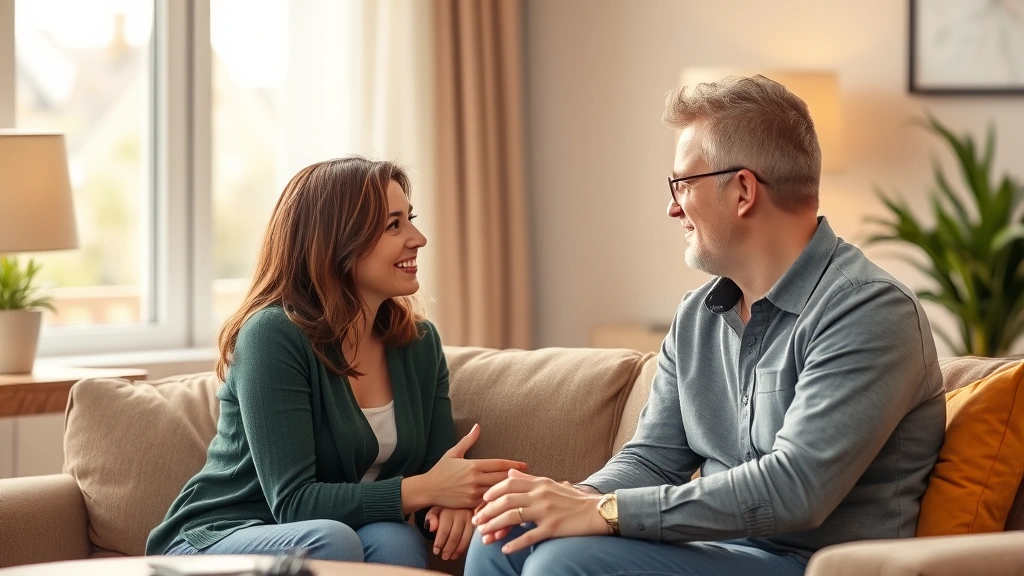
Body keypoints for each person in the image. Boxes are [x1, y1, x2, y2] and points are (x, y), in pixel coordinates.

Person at [465, 75, 946, 576]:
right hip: (716, 551)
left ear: (742, 190)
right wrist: (572, 498)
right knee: (504, 535)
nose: (672, 206)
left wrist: (603, 513)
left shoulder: (867, 310)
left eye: (683, 185)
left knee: (564, 562)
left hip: (814, 564)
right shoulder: (698, 315)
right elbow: (653, 459)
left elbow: (795, 489)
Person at [146, 157, 526, 568]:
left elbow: (440, 466)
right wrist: (427, 489)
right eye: (393, 225)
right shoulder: (272, 335)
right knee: (329, 541)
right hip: (217, 536)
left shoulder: (419, 343)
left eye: (410, 219)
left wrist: (453, 500)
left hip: (329, 530)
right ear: (336, 241)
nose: (418, 238)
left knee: (396, 542)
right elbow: (294, 503)